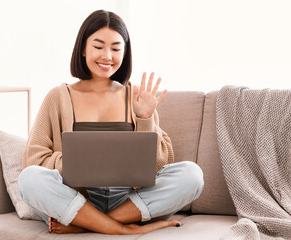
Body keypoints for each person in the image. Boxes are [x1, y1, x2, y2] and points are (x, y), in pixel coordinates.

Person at [18, 9, 204, 235]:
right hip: (76, 200)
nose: (107, 56)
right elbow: (33, 159)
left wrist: (145, 119)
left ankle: (89, 224)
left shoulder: (136, 96)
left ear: (125, 53)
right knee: (29, 180)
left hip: (130, 202)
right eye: (98, 46)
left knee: (192, 175)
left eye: (116, 48)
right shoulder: (58, 96)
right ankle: (118, 228)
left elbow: (157, 166)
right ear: (83, 49)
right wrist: (75, 163)